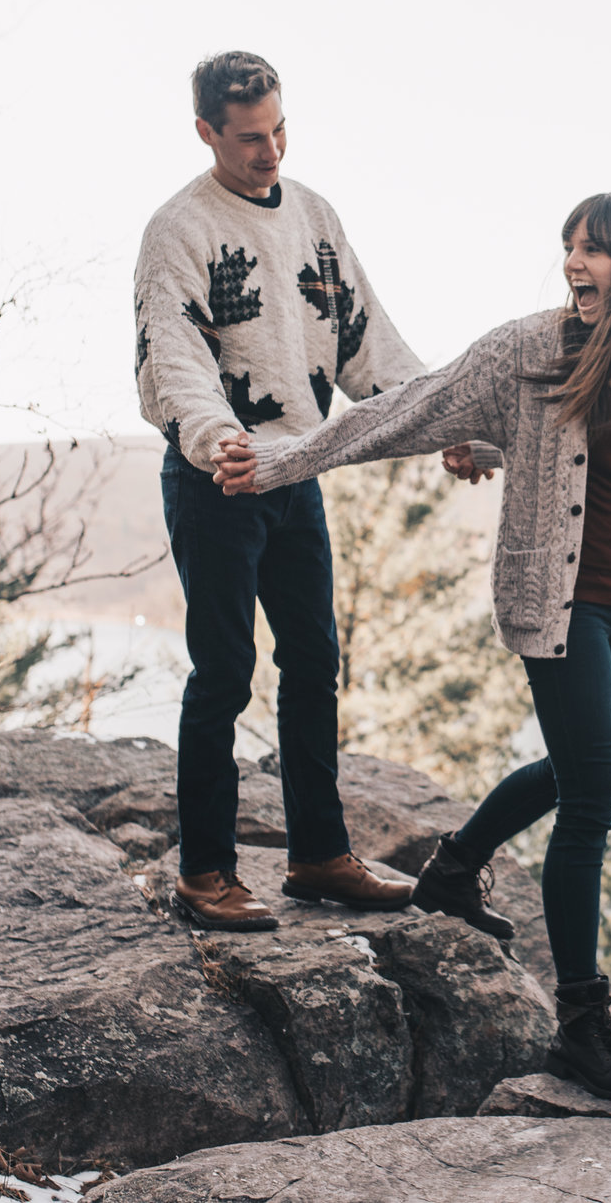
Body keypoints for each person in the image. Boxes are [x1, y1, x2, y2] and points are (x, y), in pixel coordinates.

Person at [209, 191, 611, 1108]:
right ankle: (583, 1028)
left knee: (572, 770)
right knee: (592, 798)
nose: (571, 264)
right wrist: (276, 463)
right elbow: (408, 411)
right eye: (567, 247)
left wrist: (497, 448)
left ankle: (452, 867)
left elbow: (593, 468)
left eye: (591, 251)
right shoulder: (528, 348)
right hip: (559, 603)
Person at [133, 50, 424, 932]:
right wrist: (220, 438)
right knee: (224, 672)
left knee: (313, 662)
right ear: (206, 132)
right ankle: (206, 873)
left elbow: (368, 338)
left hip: (299, 469)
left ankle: (318, 855)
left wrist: (443, 425)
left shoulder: (313, 216)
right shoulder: (178, 229)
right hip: (216, 479)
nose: (271, 151)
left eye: (280, 129)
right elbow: (172, 356)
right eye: (251, 138)